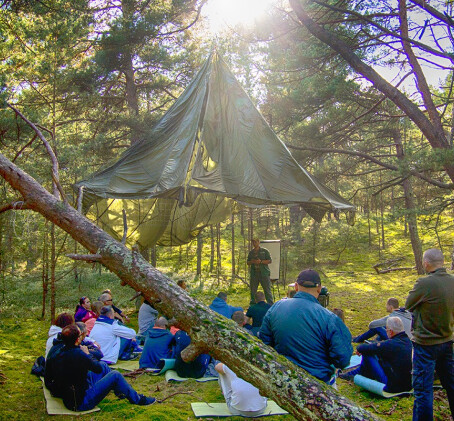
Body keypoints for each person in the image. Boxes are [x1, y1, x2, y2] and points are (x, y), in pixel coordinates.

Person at [260, 269, 352, 384]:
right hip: (318, 386)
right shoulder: (329, 318)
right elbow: (343, 359)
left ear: (296, 287)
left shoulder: (276, 307)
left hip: (284, 382)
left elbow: (264, 343)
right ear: (319, 289)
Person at [45, 324, 155, 411]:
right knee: (115, 374)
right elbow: (97, 369)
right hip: (80, 402)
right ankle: (137, 399)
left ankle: (121, 391)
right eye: (80, 335)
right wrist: (87, 353)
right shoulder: (78, 354)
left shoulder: (58, 351)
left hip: (70, 395)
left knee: (104, 364)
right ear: (77, 339)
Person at [405, 248, 454, 421]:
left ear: (426, 263)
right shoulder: (452, 281)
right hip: (447, 341)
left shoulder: (424, 283)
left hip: (425, 344)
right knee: (451, 384)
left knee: (423, 390)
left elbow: (408, 305)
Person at [339, 317, 412, 393]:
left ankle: (354, 374)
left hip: (391, 385)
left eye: (386, 330)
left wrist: (360, 348)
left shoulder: (391, 344)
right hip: (406, 384)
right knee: (373, 353)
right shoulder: (408, 342)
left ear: (390, 331)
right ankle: (355, 374)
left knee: (367, 353)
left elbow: (365, 348)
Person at [247, 239, 273, 305]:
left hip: (264, 273)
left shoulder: (264, 251)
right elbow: (248, 262)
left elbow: (269, 261)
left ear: (258, 242)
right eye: (253, 242)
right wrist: (252, 261)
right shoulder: (251, 252)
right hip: (254, 274)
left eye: (256, 242)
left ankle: (270, 304)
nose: (254, 243)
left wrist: (261, 261)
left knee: (267, 290)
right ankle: (253, 305)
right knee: (253, 290)